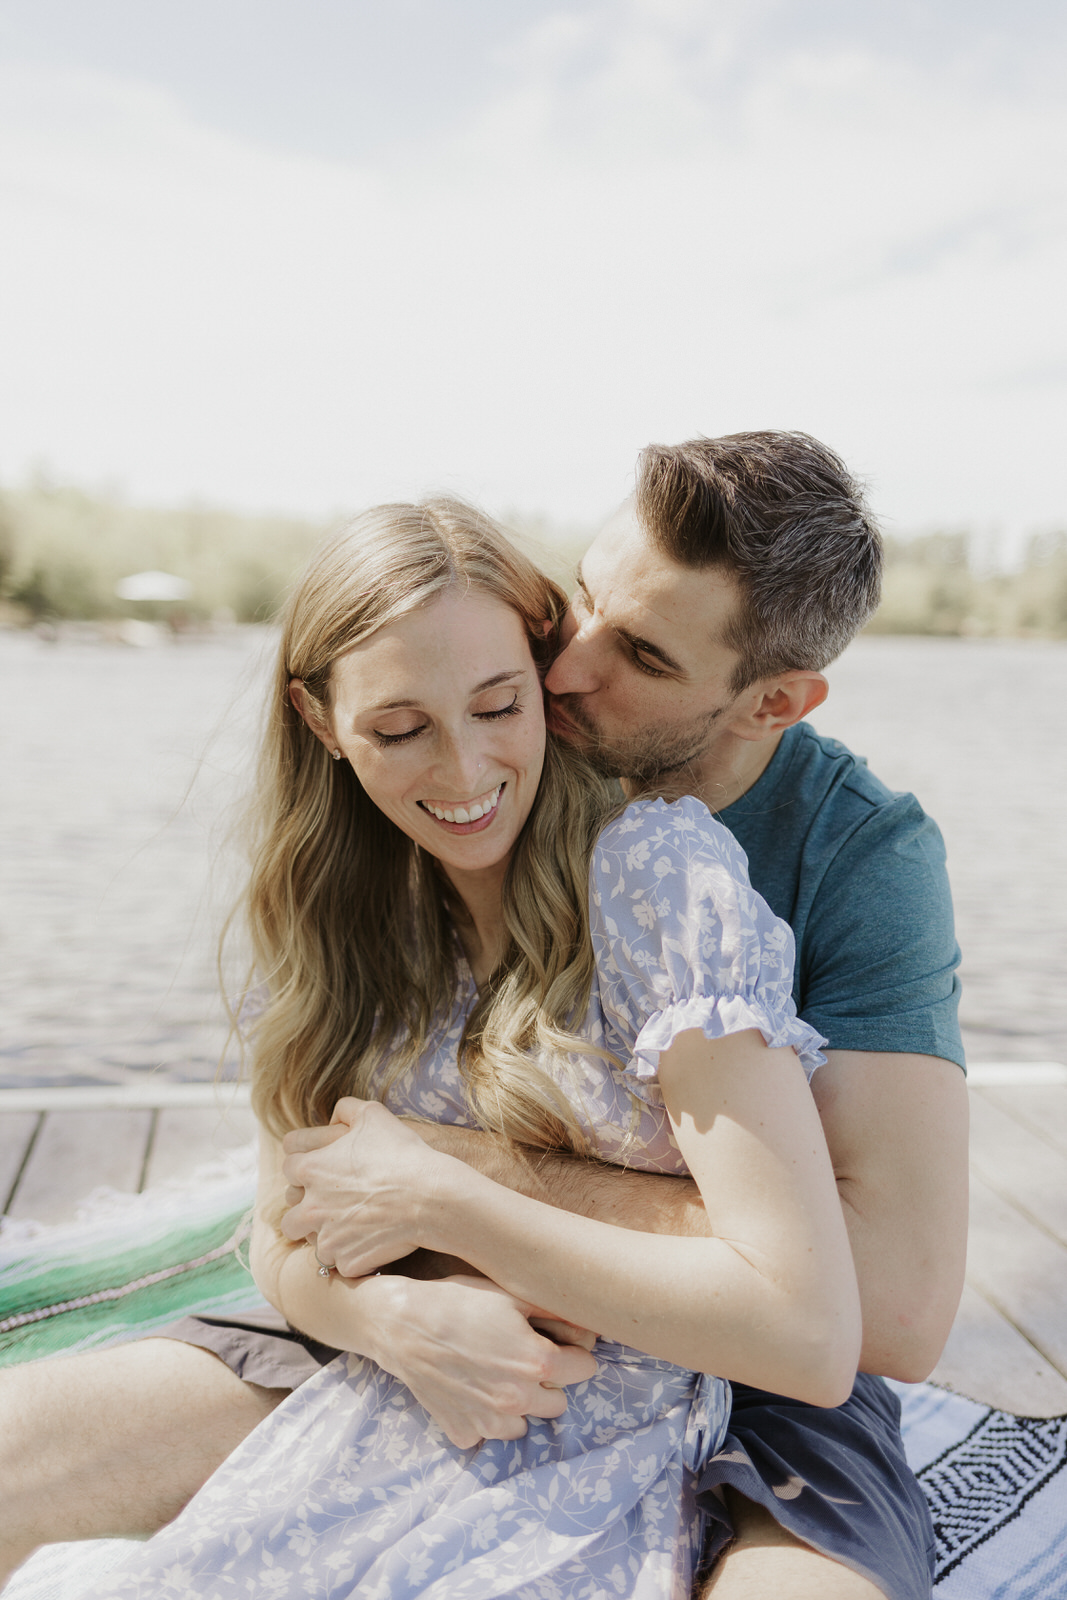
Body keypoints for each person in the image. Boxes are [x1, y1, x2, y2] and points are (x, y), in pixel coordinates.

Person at [0, 432, 966, 1600]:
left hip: (736, 1373)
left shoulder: (824, 858)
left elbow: (886, 1310)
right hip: (439, 1316)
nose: (566, 675)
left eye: (642, 654)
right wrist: (390, 1315)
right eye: (579, 604)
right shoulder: (407, 826)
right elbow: (288, 1212)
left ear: (768, 702)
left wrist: (450, 1176)